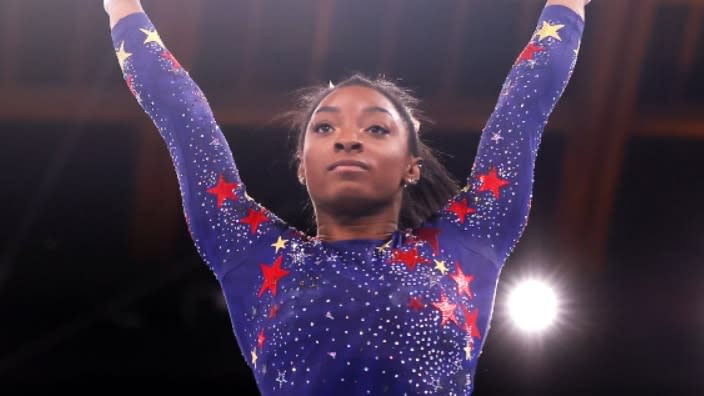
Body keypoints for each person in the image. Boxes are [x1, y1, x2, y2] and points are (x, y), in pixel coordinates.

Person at [103, 0, 589, 394]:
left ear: (410, 166)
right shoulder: (248, 252)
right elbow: (185, 120)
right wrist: (121, 8)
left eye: (377, 128)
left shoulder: (467, 242)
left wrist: (566, 6)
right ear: (302, 167)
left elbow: (523, 109)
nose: (348, 138)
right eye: (326, 127)